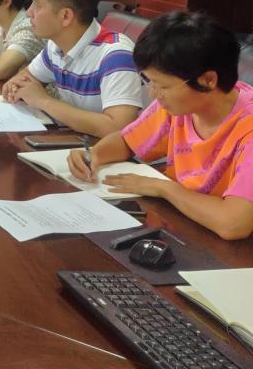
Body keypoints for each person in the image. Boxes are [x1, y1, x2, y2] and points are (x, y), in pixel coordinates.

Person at [68, 12, 253, 240]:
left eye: (163, 86)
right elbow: (127, 141)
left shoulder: (247, 128)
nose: (153, 94)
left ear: (208, 80)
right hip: (186, 226)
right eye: (149, 81)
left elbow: (233, 224)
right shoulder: (178, 107)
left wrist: (164, 188)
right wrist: (94, 155)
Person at [2, 0, 142, 137]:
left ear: (65, 16)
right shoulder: (55, 45)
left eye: (37, 5)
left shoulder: (115, 55)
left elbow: (118, 128)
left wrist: (43, 101)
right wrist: (16, 85)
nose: (29, 12)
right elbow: (27, 77)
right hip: (80, 142)